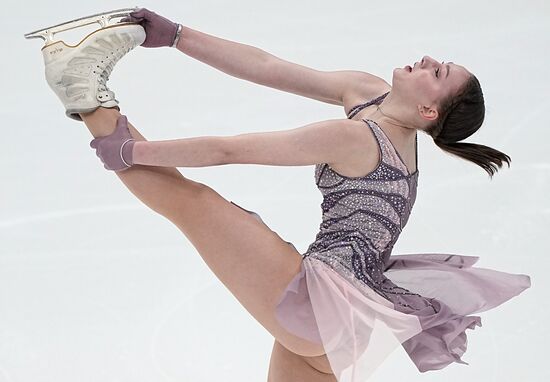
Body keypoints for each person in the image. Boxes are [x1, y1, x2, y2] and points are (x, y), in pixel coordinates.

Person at [37, 8, 531, 382]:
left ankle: (84, 93)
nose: (427, 60)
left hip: (323, 307)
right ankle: (88, 95)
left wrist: (127, 151)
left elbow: (232, 150)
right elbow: (270, 67)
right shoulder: (368, 91)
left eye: (438, 71)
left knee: (195, 203)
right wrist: (176, 37)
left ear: (427, 109)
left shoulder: (360, 139)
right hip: (340, 326)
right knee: (193, 202)